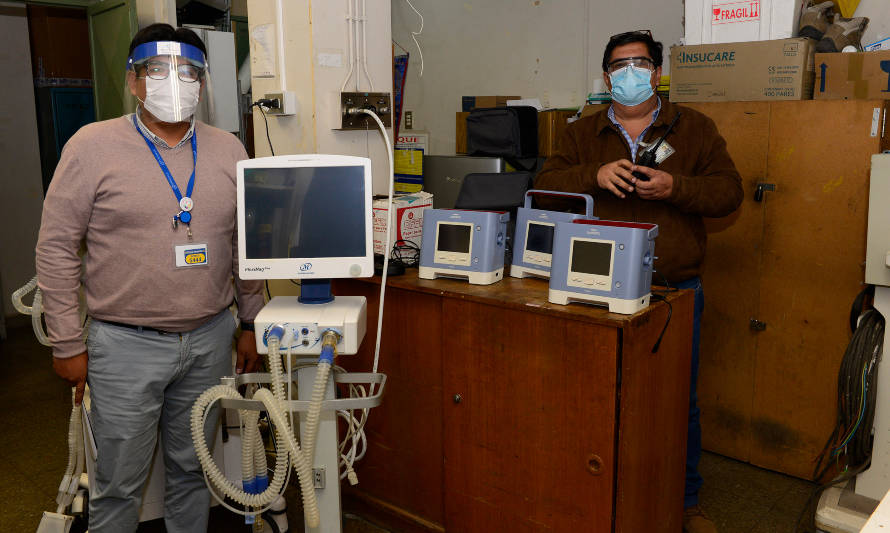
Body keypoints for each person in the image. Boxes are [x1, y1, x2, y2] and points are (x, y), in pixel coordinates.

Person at [35, 23, 265, 533]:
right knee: (117, 484)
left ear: (202, 83)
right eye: (157, 71)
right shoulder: (91, 146)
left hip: (209, 339)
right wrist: (67, 342)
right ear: (134, 81)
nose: (173, 81)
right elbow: (55, 248)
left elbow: (246, 247)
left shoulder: (229, 150)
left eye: (186, 72)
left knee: (191, 470)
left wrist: (250, 320)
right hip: (123, 344)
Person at [535, 30, 743, 533]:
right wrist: (594, 174)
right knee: (593, 397)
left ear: (656, 71)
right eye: (620, 65)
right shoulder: (581, 132)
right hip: (592, 286)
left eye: (641, 63)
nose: (630, 72)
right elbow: (543, 185)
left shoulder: (693, 128)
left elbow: (728, 194)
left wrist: (678, 187)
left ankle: (684, 502)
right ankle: (595, 499)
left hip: (672, 289)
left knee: (676, 403)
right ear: (607, 77)